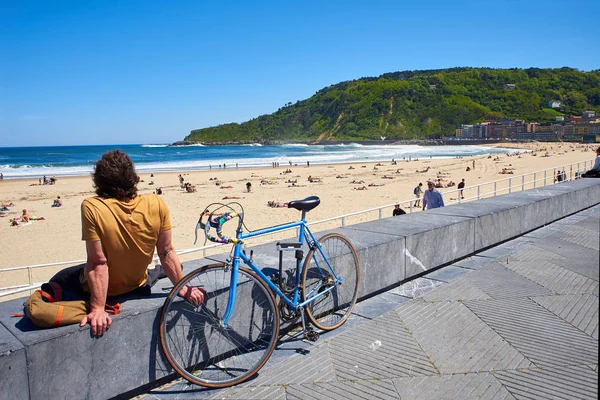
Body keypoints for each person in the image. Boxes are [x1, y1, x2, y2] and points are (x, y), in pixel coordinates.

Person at [61, 150, 204, 336]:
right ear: (132, 177)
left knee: (61, 279)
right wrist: (183, 289)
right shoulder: (156, 203)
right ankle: (158, 272)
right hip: (139, 283)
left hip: (108, 292)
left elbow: (98, 263)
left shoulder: (92, 207)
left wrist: (97, 309)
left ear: (99, 180)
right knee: (154, 269)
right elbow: (166, 251)